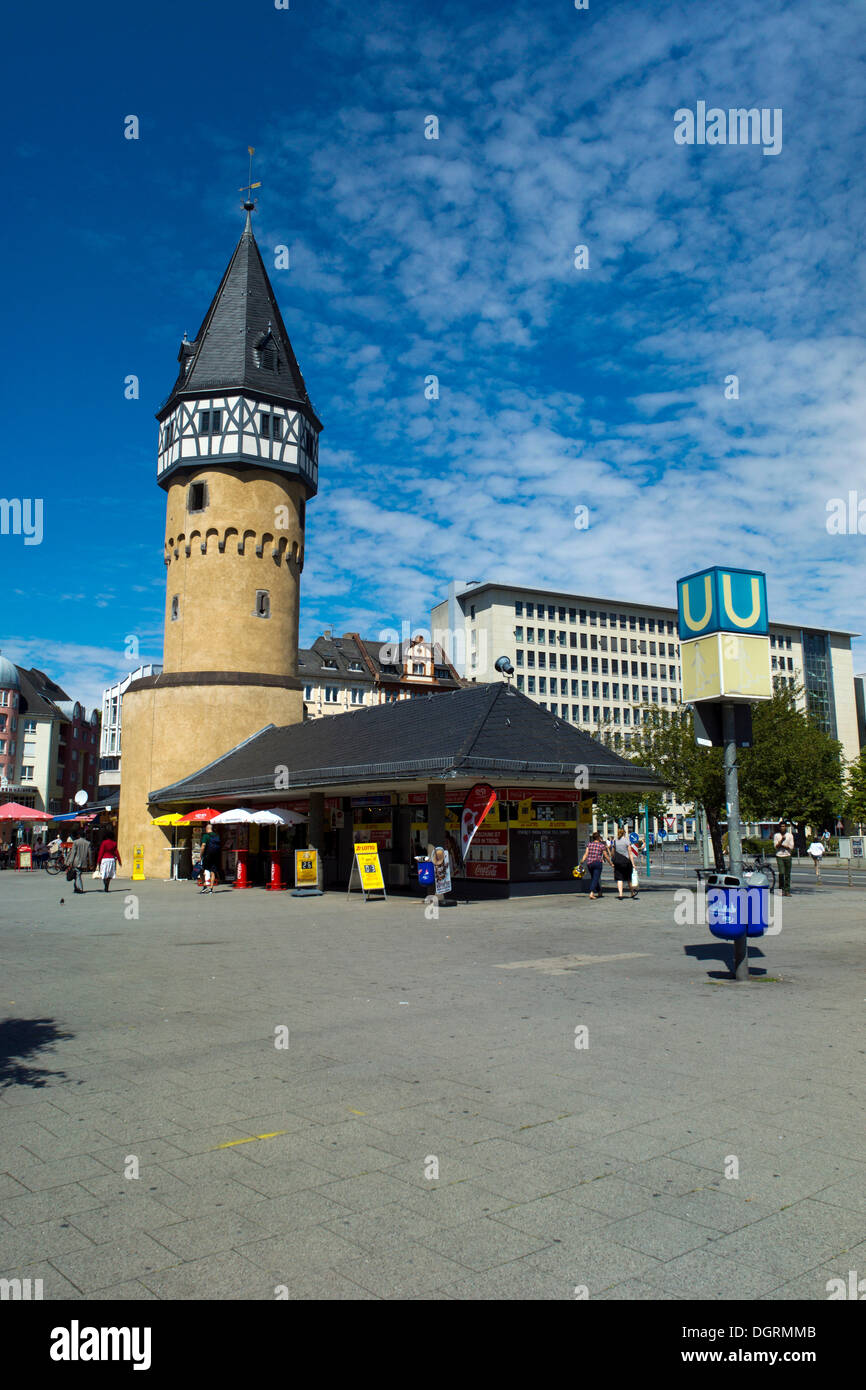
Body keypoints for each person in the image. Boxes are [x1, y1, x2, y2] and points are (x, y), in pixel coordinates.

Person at [579, 831, 612, 900]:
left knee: (594, 877)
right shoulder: (601, 845)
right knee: (595, 878)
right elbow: (606, 855)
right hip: (597, 863)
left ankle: (599, 891)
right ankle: (591, 892)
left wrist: (582, 860)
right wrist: (611, 863)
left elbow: (586, 854)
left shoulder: (589, 844)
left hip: (590, 863)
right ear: (599, 837)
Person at [612, 826, 638, 901]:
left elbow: (612, 853)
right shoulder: (627, 841)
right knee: (629, 878)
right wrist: (633, 864)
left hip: (618, 862)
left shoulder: (615, 841)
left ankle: (620, 894)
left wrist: (613, 861)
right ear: (624, 833)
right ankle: (632, 893)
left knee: (619, 878)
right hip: (626, 862)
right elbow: (630, 853)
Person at [773, 820, 794, 896]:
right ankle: (780, 889)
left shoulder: (790, 835)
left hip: (787, 855)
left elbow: (791, 847)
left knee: (787, 874)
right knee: (781, 873)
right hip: (779, 856)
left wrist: (785, 846)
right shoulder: (776, 835)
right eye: (781, 826)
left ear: (786, 827)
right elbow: (775, 846)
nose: (782, 828)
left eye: (784, 826)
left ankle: (787, 890)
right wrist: (781, 841)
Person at [200, 828, 221, 894]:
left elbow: (203, 846)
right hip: (215, 856)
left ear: (207, 829)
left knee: (201, 870)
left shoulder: (205, 836)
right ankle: (211, 888)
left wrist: (200, 855)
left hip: (207, 856)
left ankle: (205, 886)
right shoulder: (217, 836)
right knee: (212, 872)